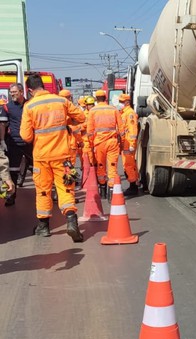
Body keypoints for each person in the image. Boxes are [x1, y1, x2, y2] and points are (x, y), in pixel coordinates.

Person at [19, 74, 86, 241]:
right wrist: (65, 121)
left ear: (30, 90)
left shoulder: (29, 106)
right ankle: (71, 221)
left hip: (41, 157)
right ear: (43, 86)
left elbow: (26, 136)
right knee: (66, 188)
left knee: (43, 191)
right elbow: (81, 117)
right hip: (63, 155)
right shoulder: (61, 101)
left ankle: (43, 227)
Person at [0, 83, 33, 206]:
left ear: (21, 91)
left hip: (30, 142)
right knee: (13, 171)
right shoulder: (7, 107)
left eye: (14, 92)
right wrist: (3, 141)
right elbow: (2, 125)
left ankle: (45, 194)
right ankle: (11, 196)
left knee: (38, 170)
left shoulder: (30, 105)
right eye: (11, 92)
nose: (12, 94)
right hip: (13, 143)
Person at [87, 90, 123, 200]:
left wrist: (92, 144)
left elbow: (89, 131)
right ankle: (112, 192)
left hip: (99, 143)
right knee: (112, 166)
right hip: (112, 142)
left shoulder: (92, 111)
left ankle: (102, 190)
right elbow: (121, 128)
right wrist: (121, 142)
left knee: (101, 166)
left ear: (96, 99)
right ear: (105, 98)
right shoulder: (113, 109)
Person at [117, 93, 139, 196]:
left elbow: (133, 130)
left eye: (121, 102)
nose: (120, 103)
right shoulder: (123, 113)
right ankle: (133, 184)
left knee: (129, 165)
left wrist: (132, 144)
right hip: (125, 143)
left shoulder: (130, 113)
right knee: (127, 165)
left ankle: (133, 187)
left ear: (127, 102)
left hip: (128, 144)